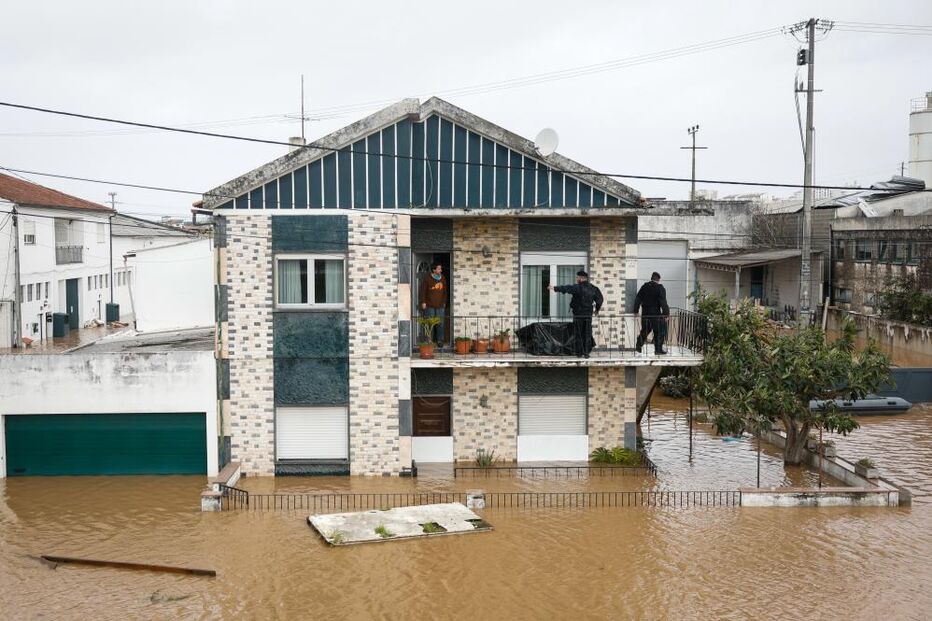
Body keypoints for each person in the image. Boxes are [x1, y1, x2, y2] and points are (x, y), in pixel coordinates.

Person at [549, 271, 603, 358]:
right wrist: (597, 309)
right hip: (588, 315)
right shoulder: (593, 288)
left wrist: (554, 288)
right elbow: (600, 299)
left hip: (578, 315)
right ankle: (586, 353)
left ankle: (579, 353)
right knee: (587, 333)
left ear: (581, 278)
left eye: (577, 278)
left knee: (578, 334)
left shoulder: (578, 287)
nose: (576, 279)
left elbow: (566, 288)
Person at [634, 271, 670, 355]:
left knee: (645, 331)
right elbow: (663, 302)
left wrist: (636, 310)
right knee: (659, 332)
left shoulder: (644, 287)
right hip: (655, 315)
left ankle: (638, 346)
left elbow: (638, 299)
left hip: (645, 314)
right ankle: (658, 350)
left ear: (651, 278)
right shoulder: (660, 288)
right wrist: (666, 314)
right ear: (658, 280)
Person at [419, 262, 448, 347]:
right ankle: (429, 341)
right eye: (439, 268)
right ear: (434, 270)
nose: (441, 270)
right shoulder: (427, 278)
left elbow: (445, 292)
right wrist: (423, 302)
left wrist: (444, 302)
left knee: (440, 323)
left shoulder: (443, 278)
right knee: (430, 323)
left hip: (440, 305)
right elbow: (423, 291)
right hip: (429, 305)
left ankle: (440, 340)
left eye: (440, 268)